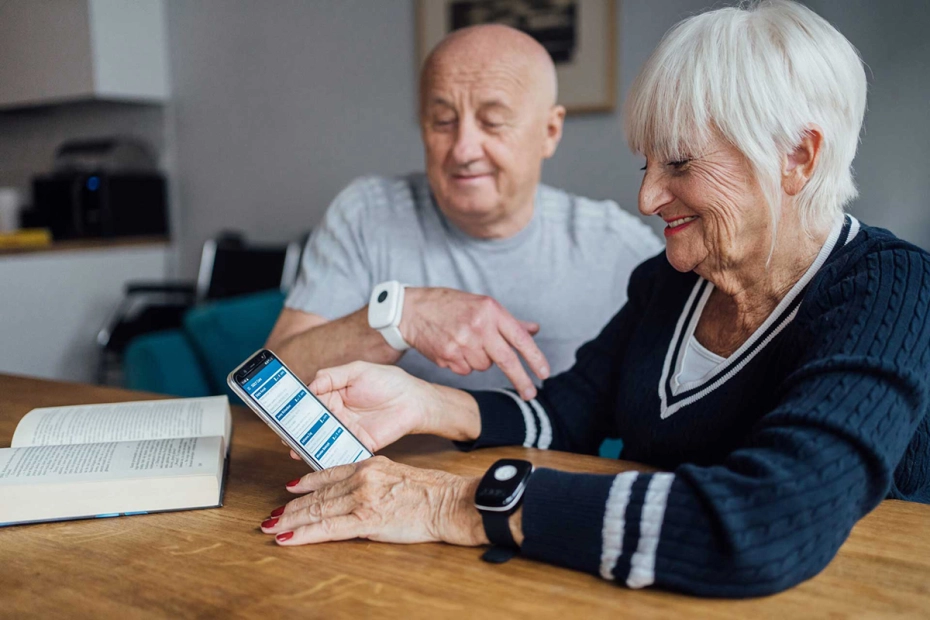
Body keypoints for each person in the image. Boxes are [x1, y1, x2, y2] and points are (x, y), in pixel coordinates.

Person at [258, 0, 930, 598]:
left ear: (798, 157)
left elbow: (765, 524)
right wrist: (425, 402)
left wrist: (450, 504)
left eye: (681, 164)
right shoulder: (670, 281)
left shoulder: (894, 291)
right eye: (648, 165)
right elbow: (563, 422)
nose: (646, 199)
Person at [266, 25, 661, 401]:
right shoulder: (367, 215)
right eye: (443, 122)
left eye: (493, 122)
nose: (463, 149)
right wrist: (398, 317)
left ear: (550, 131)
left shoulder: (617, 246)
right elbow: (270, 383)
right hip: (391, 468)